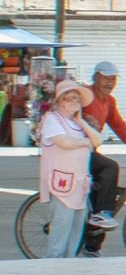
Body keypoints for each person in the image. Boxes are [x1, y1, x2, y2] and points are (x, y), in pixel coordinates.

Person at [80, 61, 126, 239]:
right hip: (77, 150)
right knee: (110, 167)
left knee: (102, 195)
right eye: (106, 78)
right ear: (96, 77)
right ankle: (101, 214)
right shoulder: (85, 95)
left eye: (113, 79)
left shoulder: (109, 102)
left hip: (90, 150)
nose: (110, 83)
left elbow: (119, 126)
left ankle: (93, 246)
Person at [38, 80, 100, 259]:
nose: (73, 101)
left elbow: (99, 140)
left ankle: (68, 267)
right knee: (60, 233)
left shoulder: (77, 123)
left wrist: (81, 122)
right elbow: (63, 142)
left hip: (80, 184)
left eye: (76, 98)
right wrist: (86, 142)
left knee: (75, 233)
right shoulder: (52, 119)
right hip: (63, 184)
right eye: (68, 98)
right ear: (59, 101)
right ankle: (53, 270)